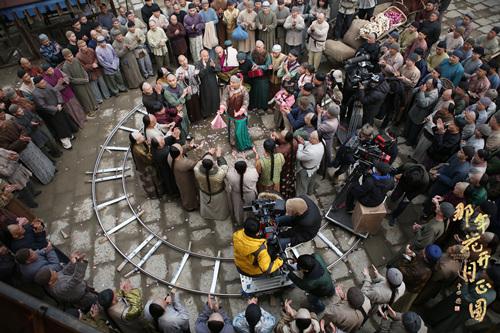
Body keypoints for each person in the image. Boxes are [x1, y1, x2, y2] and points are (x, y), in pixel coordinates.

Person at [31, 76, 78, 150]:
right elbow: (43, 106)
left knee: (66, 122)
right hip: (52, 113)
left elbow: (56, 92)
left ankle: (70, 135)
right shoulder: (35, 94)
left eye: (44, 82)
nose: (44, 84)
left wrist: (59, 103)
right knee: (59, 127)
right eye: (42, 83)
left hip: (59, 107)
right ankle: (66, 143)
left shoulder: (47, 85)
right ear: (37, 85)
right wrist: (55, 108)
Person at [41, 64, 87, 129]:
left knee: (76, 106)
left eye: (51, 69)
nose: (51, 71)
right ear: (45, 72)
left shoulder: (57, 70)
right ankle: (79, 123)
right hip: (61, 96)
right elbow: (52, 91)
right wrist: (58, 84)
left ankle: (84, 118)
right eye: (49, 70)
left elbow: (66, 76)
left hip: (68, 91)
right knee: (70, 110)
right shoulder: (45, 80)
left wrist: (65, 81)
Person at [194, 147, 230, 220]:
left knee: (206, 206)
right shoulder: (218, 175)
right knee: (220, 207)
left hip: (204, 192)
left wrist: (208, 153)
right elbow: (225, 167)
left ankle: (206, 215)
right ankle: (221, 216)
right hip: (217, 194)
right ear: (213, 164)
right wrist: (219, 156)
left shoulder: (196, 171)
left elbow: (199, 162)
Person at [219, 75, 252, 151]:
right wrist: (222, 108)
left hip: (241, 115)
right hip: (231, 113)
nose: (231, 84)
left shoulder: (244, 90)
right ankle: (233, 143)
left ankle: (241, 144)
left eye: (233, 82)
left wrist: (239, 112)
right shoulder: (227, 88)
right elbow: (224, 98)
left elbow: (245, 103)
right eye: (230, 81)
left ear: (239, 82)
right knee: (232, 129)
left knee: (239, 132)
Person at [405, 78, 439, 146]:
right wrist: (418, 89)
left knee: (414, 129)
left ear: (432, 85)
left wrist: (422, 92)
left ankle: (410, 141)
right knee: (409, 124)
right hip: (415, 109)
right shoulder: (425, 87)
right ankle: (405, 135)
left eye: (428, 83)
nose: (426, 83)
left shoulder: (434, 95)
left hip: (421, 114)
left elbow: (424, 103)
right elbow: (413, 91)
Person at [76, 39, 111, 104]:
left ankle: (107, 95)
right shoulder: (78, 56)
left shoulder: (91, 50)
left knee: (102, 84)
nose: (85, 47)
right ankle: (99, 100)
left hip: (97, 70)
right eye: (83, 46)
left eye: (85, 45)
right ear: (79, 47)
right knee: (94, 87)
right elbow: (82, 67)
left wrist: (95, 62)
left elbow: (96, 57)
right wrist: (91, 66)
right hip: (90, 73)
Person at [130, 131, 163, 198]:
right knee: (150, 182)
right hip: (146, 168)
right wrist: (151, 147)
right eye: (141, 136)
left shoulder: (136, 144)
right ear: (137, 142)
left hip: (143, 165)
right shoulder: (139, 151)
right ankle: (154, 195)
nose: (142, 135)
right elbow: (149, 160)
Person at [225, 158, 258, 224]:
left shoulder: (230, 175)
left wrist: (234, 159)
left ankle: (239, 221)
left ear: (236, 169)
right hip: (250, 194)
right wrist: (245, 159)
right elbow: (256, 177)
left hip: (236, 195)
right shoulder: (253, 172)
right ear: (246, 168)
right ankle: (251, 221)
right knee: (250, 208)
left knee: (238, 209)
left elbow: (230, 170)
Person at [168, 143, 198, 211]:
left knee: (183, 192)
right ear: (180, 152)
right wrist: (199, 152)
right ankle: (190, 207)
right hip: (186, 179)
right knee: (189, 193)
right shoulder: (185, 163)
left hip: (178, 177)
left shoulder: (170, 156)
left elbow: (180, 150)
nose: (182, 148)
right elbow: (196, 163)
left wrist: (190, 146)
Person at [162, 73, 190, 143]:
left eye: (173, 80)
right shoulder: (167, 92)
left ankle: (187, 134)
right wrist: (183, 95)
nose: (172, 82)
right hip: (176, 112)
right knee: (181, 126)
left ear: (176, 79)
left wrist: (188, 92)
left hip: (184, 109)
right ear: (167, 81)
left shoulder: (179, 85)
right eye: (170, 81)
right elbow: (174, 103)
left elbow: (187, 98)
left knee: (186, 122)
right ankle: (182, 141)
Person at [295, 131, 324, 195]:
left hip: (305, 170)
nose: (308, 139)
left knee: (301, 187)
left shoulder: (312, 152)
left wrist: (300, 144)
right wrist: (303, 142)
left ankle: (300, 199)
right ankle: (310, 192)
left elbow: (299, 156)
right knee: (311, 181)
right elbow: (309, 143)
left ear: (316, 139)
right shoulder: (322, 142)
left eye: (310, 137)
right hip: (314, 166)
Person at [176, 55, 202, 122]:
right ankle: (192, 119)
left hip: (194, 89)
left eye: (184, 60)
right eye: (181, 61)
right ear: (179, 62)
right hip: (186, 92)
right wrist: (181, 79)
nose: (184, 62)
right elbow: (178, 84)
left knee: (197, 104)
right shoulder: (178, 71)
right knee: (190, 106)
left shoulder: (192, 67)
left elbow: (197, 81)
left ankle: (198, 118)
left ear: (186, 59)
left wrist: (195, 76)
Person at [249, 41, 272, 111]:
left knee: (263, 92)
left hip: (264, 76)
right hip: (255, 76)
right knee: (255, 91)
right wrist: (253, 65)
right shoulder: (253, 53)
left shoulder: (267, 55)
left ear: (263, 47)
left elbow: (268, 66)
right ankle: (255, 106)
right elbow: (250, 60)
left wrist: (258, 67)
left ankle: (263, 107)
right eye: (256, 47)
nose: (257, 48)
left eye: (259, 47)